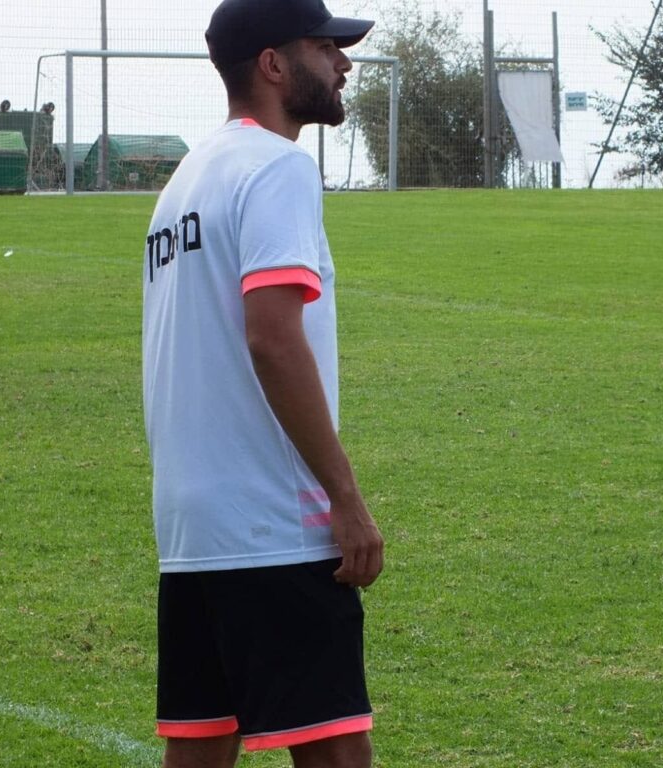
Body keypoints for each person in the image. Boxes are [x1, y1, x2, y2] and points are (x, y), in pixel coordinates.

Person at [141, 1, 384, 766]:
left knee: (201, 748)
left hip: (192, 528)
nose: (343, 62)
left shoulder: (184, 183)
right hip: (273, 524)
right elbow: (273, 338)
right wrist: (345, 498)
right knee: (337, 750)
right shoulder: (277, 167)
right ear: (274, 64)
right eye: (324, 46)